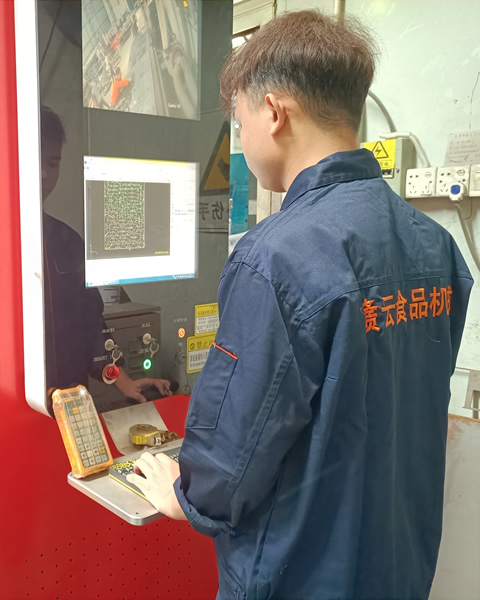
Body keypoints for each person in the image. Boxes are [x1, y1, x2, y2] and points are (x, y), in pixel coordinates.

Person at [129, 10, 473, 600]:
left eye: (239, 124)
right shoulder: (434, 245)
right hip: (400, 563)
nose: (242, 141)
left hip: (298, 574)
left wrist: (183, 493)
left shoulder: (275, 258)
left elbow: (230, 459)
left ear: (274, 112)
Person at [40, 105, 170, 407]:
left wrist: (125, 381)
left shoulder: (67, 242)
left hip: (71, 405)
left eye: (53, 163)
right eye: (37, 161)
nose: (45, 174)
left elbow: (90, 324)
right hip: (11, 409)